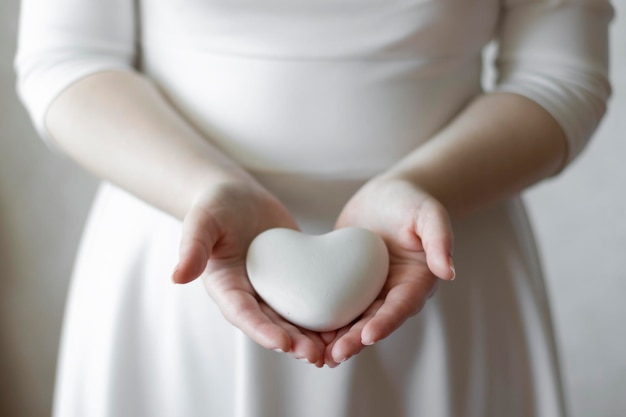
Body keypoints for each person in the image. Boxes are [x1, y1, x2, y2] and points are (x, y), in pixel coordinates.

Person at [15, 0, 612, 416]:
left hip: (434, 248)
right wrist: (205, 188)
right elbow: (65, 56)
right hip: (185, 240)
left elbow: (560, 75)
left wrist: (423, 184)